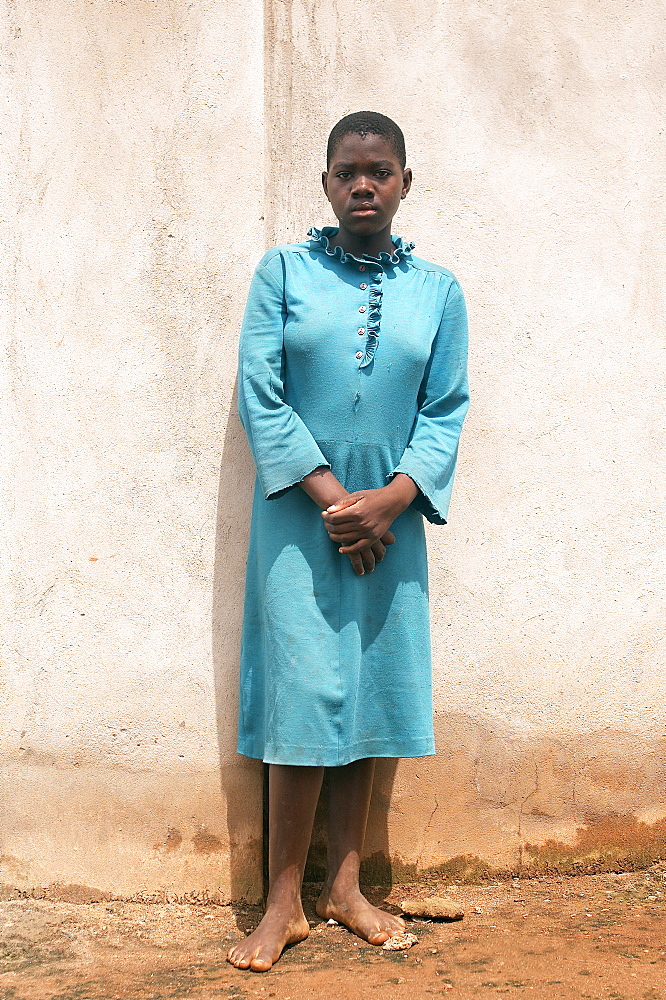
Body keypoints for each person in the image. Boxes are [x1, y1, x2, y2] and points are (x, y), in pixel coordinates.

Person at [227, 111, 469, 972]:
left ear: (407, 181)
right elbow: (262, 390)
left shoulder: (438, 291)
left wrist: (392, 502)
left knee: (368, 686)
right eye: (346, 171)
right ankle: (283, 901)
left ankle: (347, 890)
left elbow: (444, 411)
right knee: (302, 690)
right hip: (301, 515)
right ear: (325, 184)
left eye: (380, 171)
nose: (363, 185)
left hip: (393, 522)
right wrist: (339, 503)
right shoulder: (283, 273)